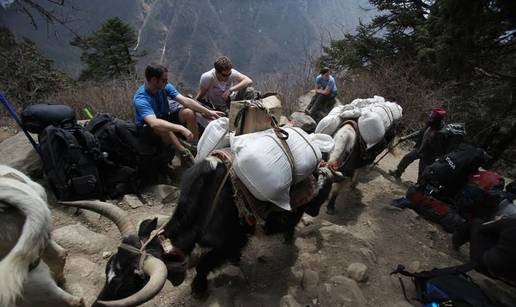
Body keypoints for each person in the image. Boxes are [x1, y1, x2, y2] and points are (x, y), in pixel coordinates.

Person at [133, 63, 223, 166]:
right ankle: (184, 152)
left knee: (188, 112)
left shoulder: (164, 87)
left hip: (164, 117)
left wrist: (209, 112)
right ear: (154, 80)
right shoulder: (141, 98)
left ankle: (194, 145)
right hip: (148, 128)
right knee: (163, 128)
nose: (167, 82)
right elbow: (154, 123)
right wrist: (180, 128)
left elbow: (186, 101)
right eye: (164, 80)